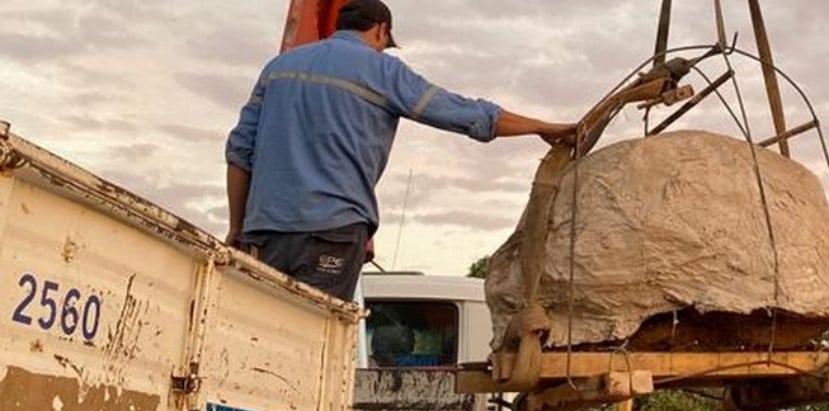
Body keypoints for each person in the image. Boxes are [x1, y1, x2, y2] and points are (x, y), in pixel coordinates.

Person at [224, 0, 575, 299]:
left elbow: (240, 150)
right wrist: (541, 126)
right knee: (315, 339)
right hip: (332, 230)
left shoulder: (278, 68)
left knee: (262, 336)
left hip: (266, 232)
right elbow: (464, 114)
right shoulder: (382, 70)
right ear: (380, 30)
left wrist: (237, 227)